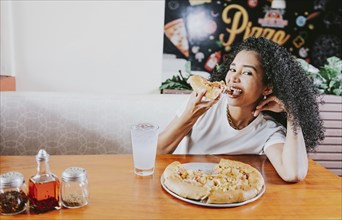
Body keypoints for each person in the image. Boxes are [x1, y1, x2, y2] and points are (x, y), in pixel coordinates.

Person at [157, 37, 325, 183]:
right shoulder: (201, 103)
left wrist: (292, 112)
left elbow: (293, 174)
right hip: (187, 185)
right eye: (232, 69)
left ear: (267, 88)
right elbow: (157, 152)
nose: (233, 78)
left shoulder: (267, 130)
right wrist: (189, 116)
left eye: (247, 73)